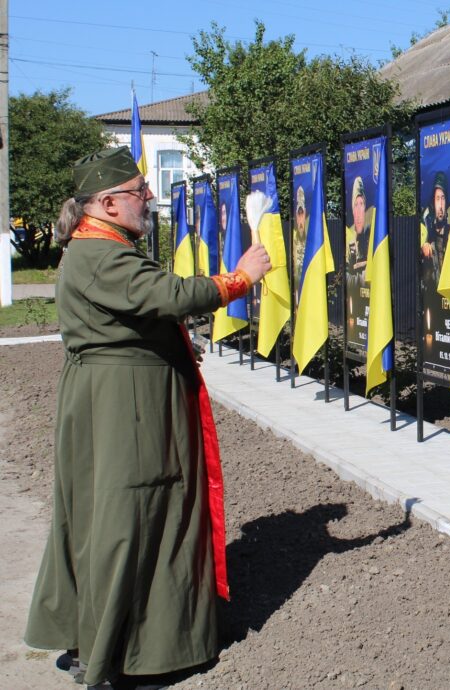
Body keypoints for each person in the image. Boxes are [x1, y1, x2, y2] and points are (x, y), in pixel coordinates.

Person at [24, 146, 271, 689]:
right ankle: (130, 654)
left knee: (105, 516)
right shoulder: (102, 254)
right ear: (108, 203)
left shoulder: (95, 248)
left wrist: (166, 344)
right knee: (136, 514)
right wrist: (241, 277)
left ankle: (94, 640)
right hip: (127, 407)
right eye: (140, 191)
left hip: (113, 397)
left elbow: (132, 317)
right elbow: (170, 295)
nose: (150, 197)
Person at [421, 170, 450, 285]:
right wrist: (423, 245)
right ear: (433, 201)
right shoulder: (427, 229)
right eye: (438, 198)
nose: (441, 205)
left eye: (443, 198)